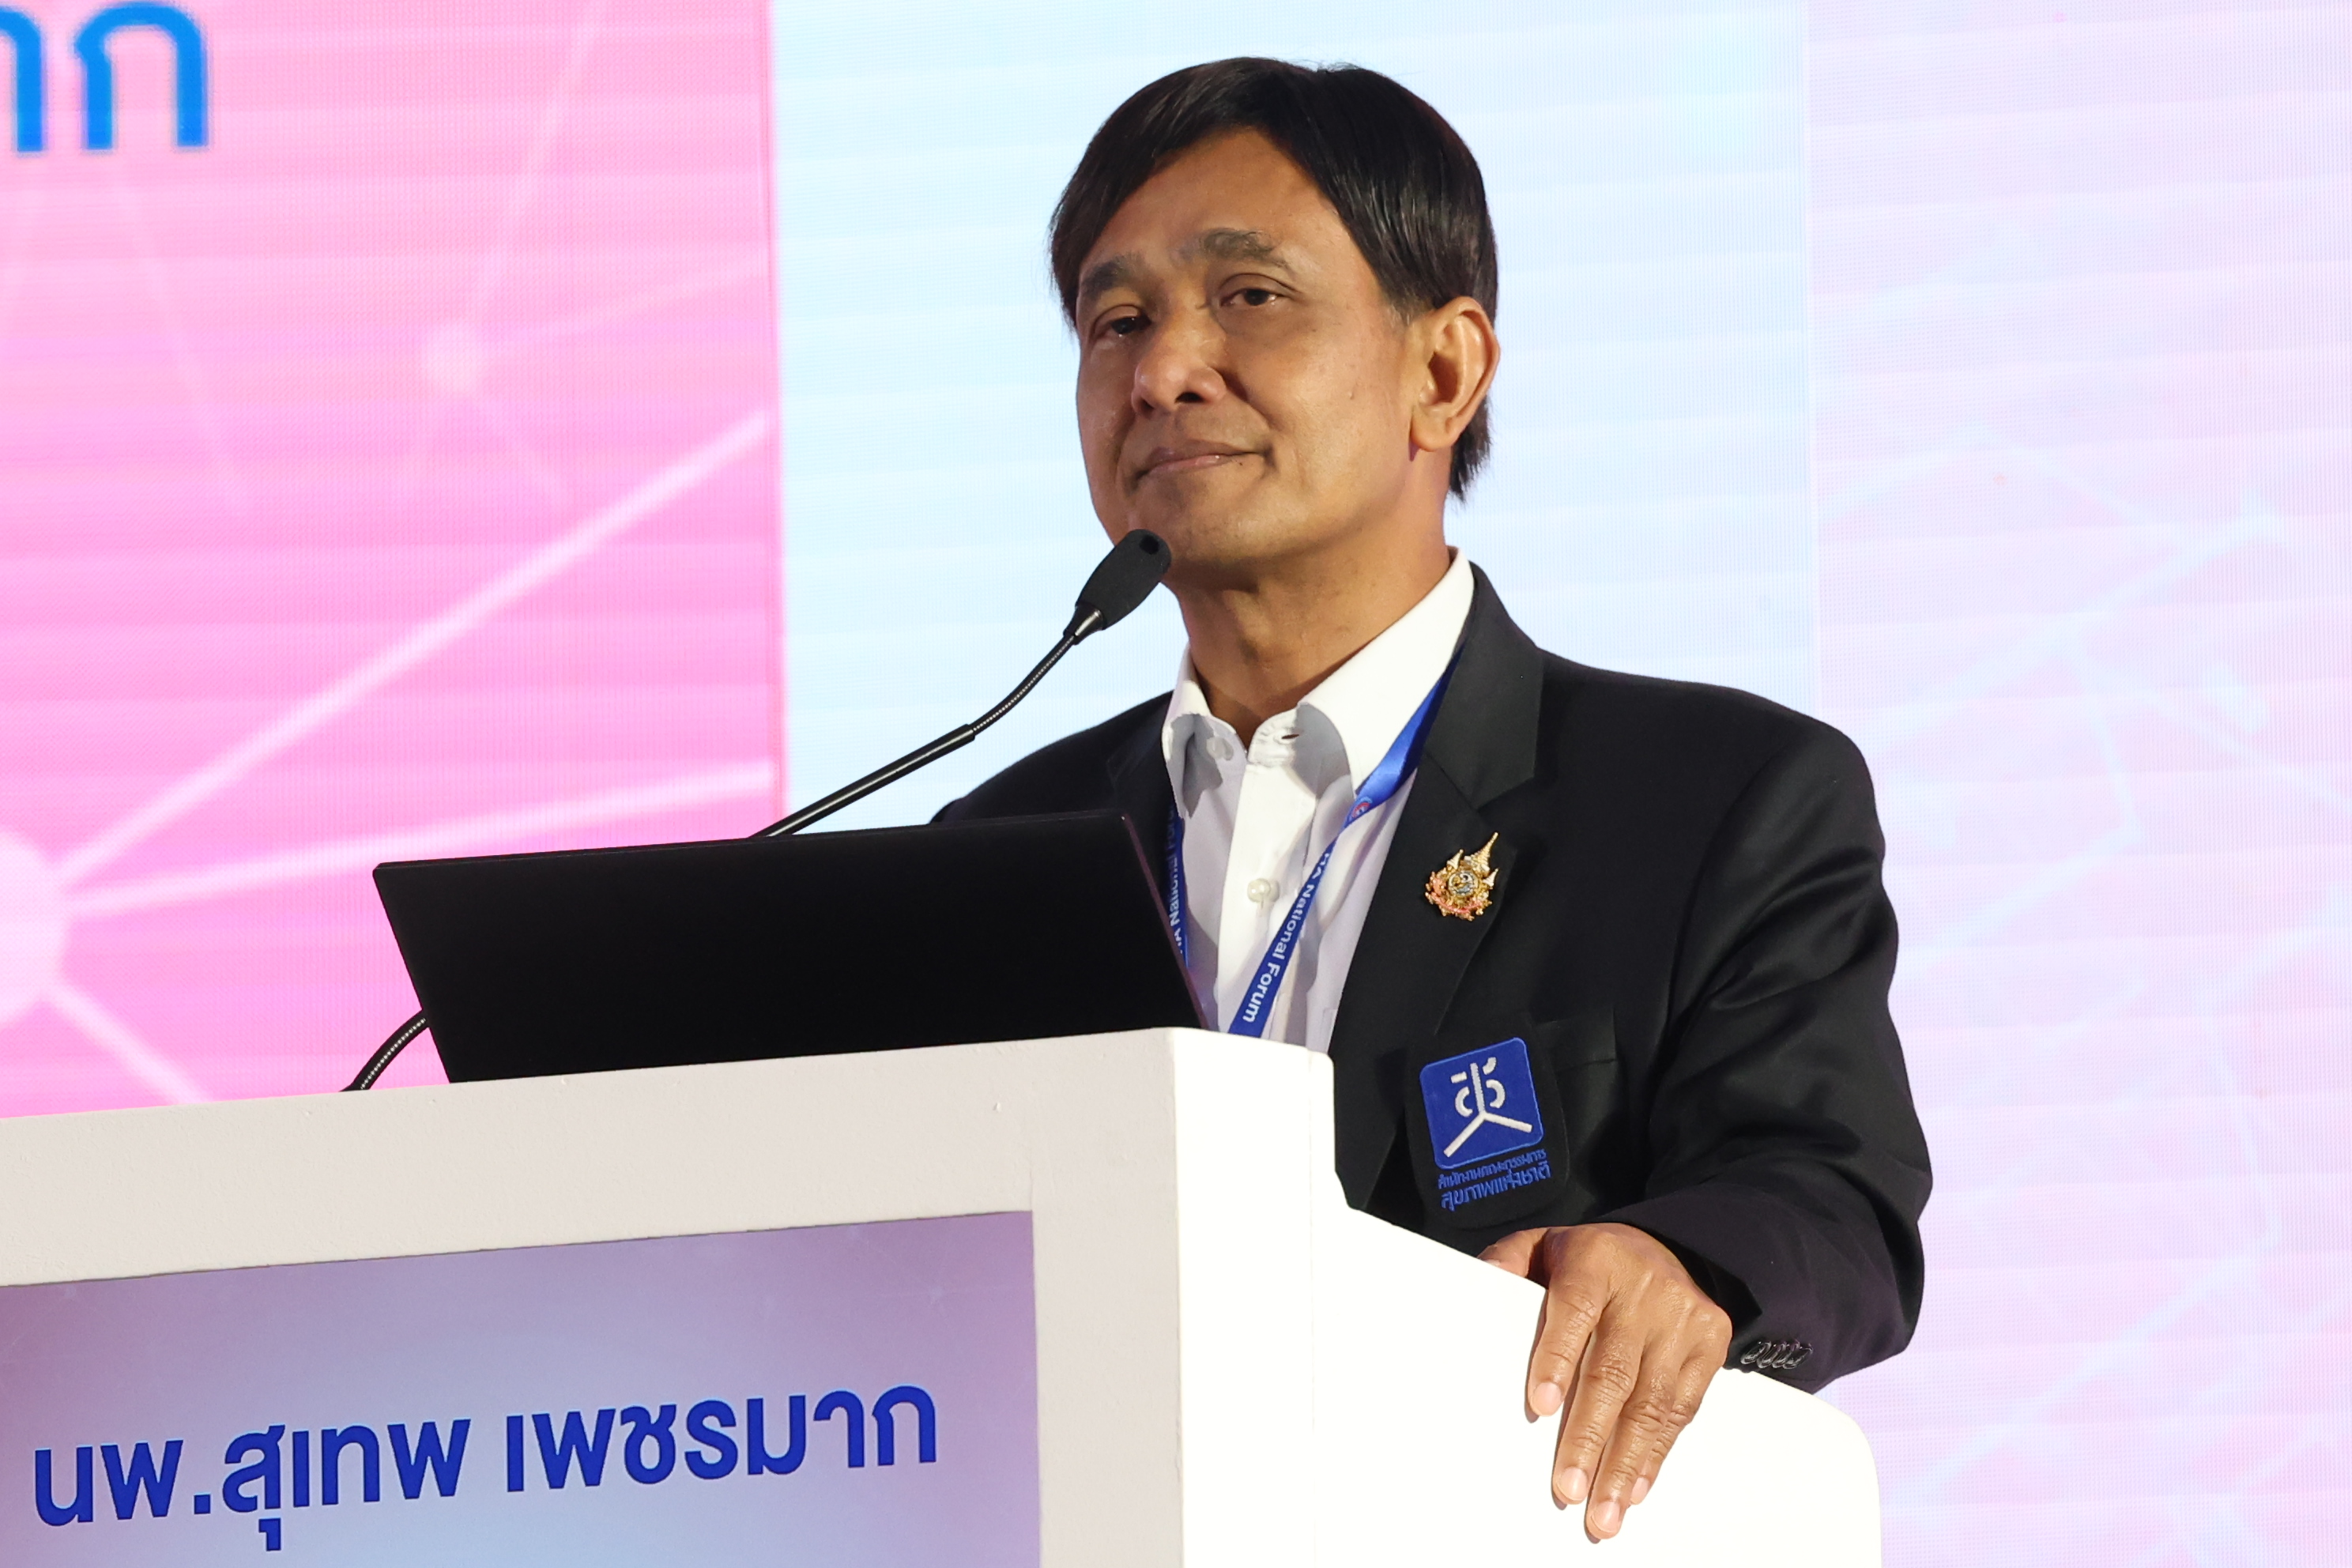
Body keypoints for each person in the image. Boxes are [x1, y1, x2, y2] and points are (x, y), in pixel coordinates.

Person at [938, 58, 1931, 1543]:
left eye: (1249, 296)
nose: (1162, 372)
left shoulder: (1714, 801)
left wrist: (1681, 1265)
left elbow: (1830, 1197)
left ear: (1446, 373)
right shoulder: (993, 855)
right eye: (1117, 321)